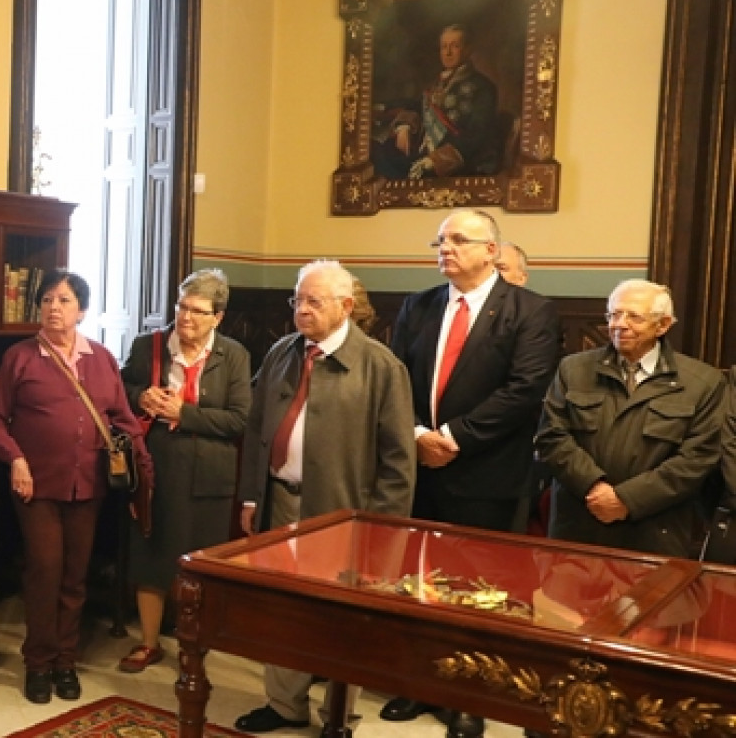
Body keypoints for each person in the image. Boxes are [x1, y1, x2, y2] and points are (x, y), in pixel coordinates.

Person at [382, 209, 559, 733]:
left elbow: (525, 390)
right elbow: (397, 378)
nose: (446, 247)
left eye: (459, 239)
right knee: (418, 585)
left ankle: (472, 698)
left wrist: (454, 438)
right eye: (440, 239)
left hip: (488, 474)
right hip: (421, 470)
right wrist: (418, 436)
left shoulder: (530, 311)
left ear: (490, 250)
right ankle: (419, 685)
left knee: (483, 593)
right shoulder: (420, 305)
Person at [234, 260, 415, 734]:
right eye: (297, 300)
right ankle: (283, 704)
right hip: (278, 502)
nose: (302, 310)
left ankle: (339, 717)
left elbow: (399, 462)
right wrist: (253, 498)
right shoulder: (281, 352)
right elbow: (257, 429)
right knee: (281, 610)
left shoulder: (380, 366)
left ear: (347, 307)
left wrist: (382, 531)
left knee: (338, 619)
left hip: (342, 515)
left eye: (314, 301)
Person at [0, 270, 153, 705]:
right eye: (47, 300)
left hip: (89, 485)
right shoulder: (20, 357)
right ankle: (37, 663)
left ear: (82, 310)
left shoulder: (101, 359)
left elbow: (122, 419)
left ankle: (65, 661)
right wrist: (15, 458)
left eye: (64, 300)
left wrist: (142, 474)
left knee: (75, 578)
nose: (53, 307)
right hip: (36, 485)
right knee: (44, 571)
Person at [117, 268, 249, 674]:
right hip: (157, 468)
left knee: (201, 565)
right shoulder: (147, 347)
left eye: (197, 311)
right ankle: (149, 643)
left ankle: (195, 646)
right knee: (150, 556)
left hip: (210, 475)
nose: (185, 318)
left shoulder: (234, 356)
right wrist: (143, 396)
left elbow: (239, 419)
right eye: (181, 307)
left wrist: (184, 414)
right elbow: (119, 391)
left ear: (218, 317)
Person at [535, 279, 725, 559]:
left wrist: (627, 499)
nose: (619, 324)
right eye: (613, 314)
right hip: (579, 521)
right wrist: (594, 486)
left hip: (655, 529)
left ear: (663, 325)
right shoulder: (573, 369)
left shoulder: (703, 382)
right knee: (570, 603)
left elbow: (697, 459)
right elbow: (551, 437)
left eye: (634, 316)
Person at [373, 24, 502, 180]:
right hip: (424, 156)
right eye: (444, 47)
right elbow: (418, 105)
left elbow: (477, 135)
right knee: (375, 150)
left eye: (454, 46)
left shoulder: (483, 87)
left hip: (461, 164)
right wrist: (404, 126)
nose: (447, 53)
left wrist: (434, 160)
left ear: (468, 49)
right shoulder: (437, 84)